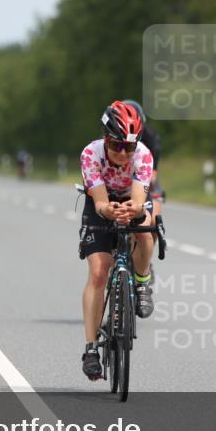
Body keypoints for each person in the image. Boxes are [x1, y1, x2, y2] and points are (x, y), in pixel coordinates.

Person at [78, 101, 156, 380]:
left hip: (129, 201)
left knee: (147, 228)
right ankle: (90, 349)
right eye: (116, 145)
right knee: (99, 272)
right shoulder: (91, 154)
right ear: (105, 139)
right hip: (100, 205)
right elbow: (99, 202)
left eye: (129, 147)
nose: (123, 153)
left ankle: (143, 281)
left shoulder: (144, 156)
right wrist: (107, 209)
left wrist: (134, 210)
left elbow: (138, 200)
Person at [124, 100, 165, 216]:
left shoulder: (148, 133)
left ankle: (155, 222)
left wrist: (154, 170)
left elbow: (155, 148)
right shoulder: (112, 132)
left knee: (152, 186)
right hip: (121, 169)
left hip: (144, 167)